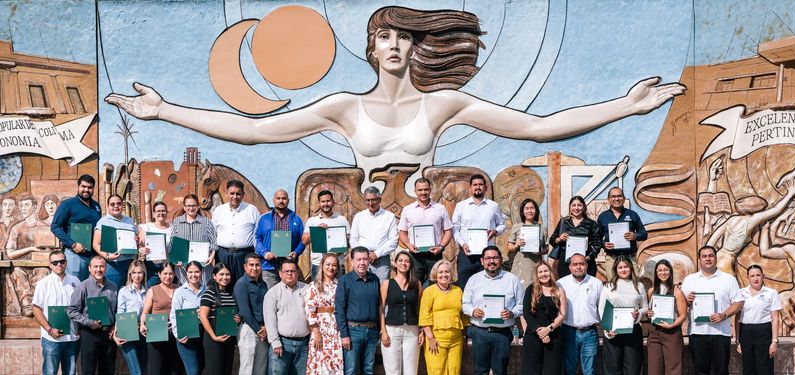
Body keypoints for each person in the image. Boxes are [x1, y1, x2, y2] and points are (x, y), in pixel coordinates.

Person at [107, 7, 683, 191]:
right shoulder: (342, 108)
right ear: (370, 46)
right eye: (385, 36)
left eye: (403, 37)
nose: (394, 46)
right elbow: (255, 129)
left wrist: (626, 106)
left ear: (414, 48)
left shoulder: (443, 104)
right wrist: (163, 111)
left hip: (424, 237)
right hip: (362, 233)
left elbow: (537, 127)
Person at [462, 245, 524, 375]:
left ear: (500, 260)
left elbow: (521, 305)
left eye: (495, 258)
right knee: (480, 373)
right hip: (480, 331)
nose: (491, 261)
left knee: (501, 373)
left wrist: (512, 313)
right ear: (482, 261)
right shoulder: (473, 280)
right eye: (488, 258)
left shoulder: (512, 280)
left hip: (502, 333)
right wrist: (473, 311)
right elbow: (465, 303)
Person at [682, 245, 744, 375]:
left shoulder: (728, 279)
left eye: (710, 256)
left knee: (721, 372)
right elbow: (682, 305)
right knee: (700, 373)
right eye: (704, 256)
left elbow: (738, 302)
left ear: (715, 258)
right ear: (699, 259)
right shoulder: (690, 280)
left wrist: (724, 315)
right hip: (697, 332)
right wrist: (687, 301)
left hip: (720, 332)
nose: (708, 259)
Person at [32, 250, 83, 375]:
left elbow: (81, 307)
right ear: (49, 264)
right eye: (55, 262)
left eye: (62, 261)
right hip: (51, 339)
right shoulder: (43, 284)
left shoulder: (75, 282)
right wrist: (49, 329)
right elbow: (36, 309)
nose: (59, 265)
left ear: (66, 262)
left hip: (72, 337)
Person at [67, 255, 119, 375]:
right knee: (89, 373)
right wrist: (89, 322)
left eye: (102, 266)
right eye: (95, 266)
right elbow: (72, 311)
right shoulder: (83, 287)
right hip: (90, 334)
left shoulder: (112, 287)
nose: (99, 269)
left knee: (107, 373)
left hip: (108, 334)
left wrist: (115, 325)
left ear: (106, 268)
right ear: (89, 268)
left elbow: (117, 310)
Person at [335, 246, 382, 375]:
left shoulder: (374, 279)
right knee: (351, 372)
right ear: (352, 261)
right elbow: (339, 309)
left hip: (371, 331)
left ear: (369, 260)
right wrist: (344, 334)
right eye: (359, 259)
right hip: (352, 331)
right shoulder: (345, 281)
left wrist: (378, 331)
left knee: (368, 371)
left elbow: (379, 307)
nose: (362, 263)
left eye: (365, 259)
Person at [419, 260, 469, 375]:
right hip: (435, 339)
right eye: (440, 272)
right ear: (435, 274)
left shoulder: (458, 291)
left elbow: (464, 315)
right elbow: (424, 315)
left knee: (454, 373)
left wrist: (465, 334)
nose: (444, 275)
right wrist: (430, 337)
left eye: (447, 272)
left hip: (456, 339)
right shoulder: (429, 291)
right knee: (436, 373)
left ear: (451, 274)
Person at [599, 256, 649, 375]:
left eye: (626, 267)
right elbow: (602, 309)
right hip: (613, 332)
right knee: (613, 371)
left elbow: (645, 308)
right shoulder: (608, 286)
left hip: (632, 330)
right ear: (616, 270)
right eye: (620, 267)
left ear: (631, 269)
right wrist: (607, 329)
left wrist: (638, 313)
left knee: (633, 370)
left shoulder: (639, 286)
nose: (623, 270)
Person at [557, 253, 604, 375]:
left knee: (589, 372)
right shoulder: (561, 284)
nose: (578, 267)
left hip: (590, 332)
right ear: (570, 267)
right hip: (568, 332)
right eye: (575, 264)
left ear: (586, 265)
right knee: (569, 371)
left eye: (581, 264)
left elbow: (603, 309)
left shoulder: (596, 283)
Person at [519, 262, 567, 375]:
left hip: (554, 335)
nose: (544, 274)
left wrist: (549, 329)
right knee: (531, 374)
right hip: (534, 336)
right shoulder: (530, 290)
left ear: (550, 272)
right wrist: (540, 331)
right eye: (540, 272)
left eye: (546, 271)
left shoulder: (559, 289)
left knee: (553, 374)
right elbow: (526, 312)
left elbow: (562, 314)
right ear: (536, 274)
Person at [264, 260, 310, 375]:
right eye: (287, 271)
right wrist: (275, 342)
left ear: (298, 273)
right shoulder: (273, 293)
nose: (290, 274)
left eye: (293, 271)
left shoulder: (306, 289)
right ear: (280, 273)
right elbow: (270, 320)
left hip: (303, 342)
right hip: (282, 343)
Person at [379, 250, 423, 375]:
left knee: (411, 373)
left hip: (412, 330)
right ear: (395, 264)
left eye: (407, 261)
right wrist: (383, 331)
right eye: (401, 261)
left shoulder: (416, 284)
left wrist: (421, 330)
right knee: (393, 373)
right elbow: (381, 308)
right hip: (392, 330)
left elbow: (420, 309)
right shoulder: (386, 284)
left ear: (410, 264)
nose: (404, 263)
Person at [304, 253, 346, 375]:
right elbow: (309, 309)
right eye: (328, 264)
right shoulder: (314, 286)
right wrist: (316, 331)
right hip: (321, 328)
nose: (331, 267)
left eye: (334, 265)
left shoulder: (340, 285)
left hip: (336, 328)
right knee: (322, 368)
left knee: (336, 366)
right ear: (322, 266)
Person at [736, 264, 781, 375]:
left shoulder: (771, 293)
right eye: (752, 275)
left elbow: (775, 318)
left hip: (763, 332)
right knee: (749, 372)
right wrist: (738, 340)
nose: (755, 278)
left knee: (764, 371)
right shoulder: (741, 293)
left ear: (763, 276)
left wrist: (774, 341)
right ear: (748, 278)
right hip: (746, 332)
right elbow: (737, 317)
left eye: (758, 275)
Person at [198, 263, 241, 375]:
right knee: (215, 374)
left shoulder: (230, 293)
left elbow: (233, 315)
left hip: (228, 338)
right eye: (221, 274)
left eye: (227, 274)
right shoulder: (209, 293)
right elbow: (203, 316)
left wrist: (237, 319)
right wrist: (213, 336)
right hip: (213, 339)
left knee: (225, 374)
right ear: (214, 276)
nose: (225, 277)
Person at [646, 259, 687, 375]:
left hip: (672, 333)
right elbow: (648, 312)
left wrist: (672, 326)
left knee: (673, 372)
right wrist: (648, 314)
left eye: (666, 270)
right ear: (655, 273)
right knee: (654, 372)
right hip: (655, 333)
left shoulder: (677, 292)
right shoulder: (651, 291)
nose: (663, 273)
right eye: (659, 270)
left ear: (670, 272)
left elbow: (683, 315)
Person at [140, 262, 182, 375]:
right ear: (159, 274)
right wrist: (143, 323)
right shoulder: (153, 290)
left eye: (171, 273)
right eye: (165, 273)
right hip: (157, 330)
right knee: (157, 369)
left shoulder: (180, 289)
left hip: (176, 333)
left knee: (175, 369)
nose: (168, 276)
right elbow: (145, 311)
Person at [452, 174, 507, 288]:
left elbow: (502, 224)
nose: (478, 187)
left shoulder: (493, 206)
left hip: (487, 255)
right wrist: (463, 244)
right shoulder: (461, 206)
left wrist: (495, 231)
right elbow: (454, 228)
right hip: (467, 254)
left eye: (480, 184)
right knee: (465, 288)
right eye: (475, 185)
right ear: (470, 188)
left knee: (487, 287)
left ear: (485, 187)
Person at [170, 260, 207, 375]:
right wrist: (178, 334)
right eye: (191, 272)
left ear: (201, 273)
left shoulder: (206, 290)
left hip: (203, 336)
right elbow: (173, 315)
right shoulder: (180, 291)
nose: (194, 275)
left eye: (196, 272)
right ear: (186, 273)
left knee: (199, 372)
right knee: (192, 372)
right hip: (186, 337)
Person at [234, 253, 269, 375]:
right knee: (246, 372)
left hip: (262, 330)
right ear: (245, 267)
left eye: (257, 265)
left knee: (259, 372)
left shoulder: (263, 284)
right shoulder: (241, 284)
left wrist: (266, 328)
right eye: (252, 265)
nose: (255, 268)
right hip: (249, 330)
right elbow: (245, 311)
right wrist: (258, 329)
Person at [398, 178, 453, 283]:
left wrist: (441, 247)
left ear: (430, 190)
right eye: (420, 190)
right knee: (414, 286)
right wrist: (409, 245)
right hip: (415, 256)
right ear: (415, 191)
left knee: (435, 285)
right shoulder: (407, 209)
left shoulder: (440, 208)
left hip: (435, 255)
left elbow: (448, 231)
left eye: (426, 189)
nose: (423, 192)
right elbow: (402, 233)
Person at [114, 260, 148, 375]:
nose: (137, 275)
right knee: (136, 373)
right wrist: (117, 332)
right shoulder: (124, 291)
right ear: (130, 274)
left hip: (143, 334)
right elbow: (120, 312)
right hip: (128, 332)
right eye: (134, 272)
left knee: (141, 374)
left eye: (140, 272)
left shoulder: (148, 292)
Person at [6, 193, 50, 316]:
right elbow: (10, 253)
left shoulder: (44, 227)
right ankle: (27, 306)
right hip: (21, 265)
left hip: (40, 264)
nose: (23, 208)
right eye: (22, 206)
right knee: (18, 272)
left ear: (34, 207)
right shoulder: (17, 228)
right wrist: (30, 249)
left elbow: (50, 251)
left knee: (43, 272)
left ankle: (37, 305)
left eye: (26, 205)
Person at [51, 174, 102, 280]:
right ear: (78, 187)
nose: (86, 190)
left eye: (89, 187)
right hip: (74, 255)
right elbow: (55, 226)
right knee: (74, 289)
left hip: (93, 256)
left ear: (93, 189)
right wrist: (73, 244)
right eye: (83, 186)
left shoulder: (96, 206)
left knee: (90, 290)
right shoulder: (68, 204)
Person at [212, 179, 260, 286]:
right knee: (223, 284)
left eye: (238, 194)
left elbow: (257, 234)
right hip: (223, 254)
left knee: (245, 284)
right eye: (232, 193)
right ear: (226, 194)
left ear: (243, 195)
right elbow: (213, 234)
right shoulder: (219, 211)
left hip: (244, 255)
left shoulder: (251, 210)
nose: (235, 196)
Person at [254, 189, 305, 288]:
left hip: (289, 267)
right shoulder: (264, 218)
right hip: (269, 266)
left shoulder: (297, 219)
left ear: (288, 201)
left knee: (290, 295)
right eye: (278, 198)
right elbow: (257, 238)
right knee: (271, 296)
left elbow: (303, 240)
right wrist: (265, 253)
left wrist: (296, 252)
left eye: (284, 198)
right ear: (273, 200)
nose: (281, 201)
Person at [349, 186, 398, 281]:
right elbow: (353, 239)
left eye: (373, 200)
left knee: (380, 290)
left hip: (381, 260)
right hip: (361, 259)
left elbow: (394, 241)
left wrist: (376, 254)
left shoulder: (389, 217)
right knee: (360, 287)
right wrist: (365, 255)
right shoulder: (359, 217)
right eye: (368, 200)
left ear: (379, 199)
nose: (370, 203)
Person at [597, 187, 648, 278]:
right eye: (613, 196)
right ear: (608, 199)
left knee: (634, 286)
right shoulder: (602, 217)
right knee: (613, 287)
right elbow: (597, 238)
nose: (616, 199)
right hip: (611, 258)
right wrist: (604, 244)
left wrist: (635, 236)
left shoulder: (633, 214)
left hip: (630, 258)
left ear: (623, 198)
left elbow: (644, 234)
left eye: (619, 196)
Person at [549, 195, 602, 279]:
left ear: (584, 207)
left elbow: (598, 243)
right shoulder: (564, 222)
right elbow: (552, 239)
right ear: (570, 207)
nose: (576, 208)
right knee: (566, 288)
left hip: (585, 261)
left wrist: (589, 257)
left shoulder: (591, 224)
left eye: (579, 205)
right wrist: (559, 238)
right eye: (573, 205)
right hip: (566, 261)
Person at [170, 194, 217, 285]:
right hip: (183, 265)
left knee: (202, 291)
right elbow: (173, 241)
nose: (191, 208)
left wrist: (212, 257)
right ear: (184, 207)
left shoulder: (206, 221)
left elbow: (213, 242)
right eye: (188, 206)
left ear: (198, 206)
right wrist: (176, 259)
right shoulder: (177, 221)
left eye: (193, 205)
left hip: (202, 265)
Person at [302, 189, 350, 277]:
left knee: (338, 290)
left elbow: (348, 242)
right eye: (323, 201)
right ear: (319, 203)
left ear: (333, 202)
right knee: (318, 290)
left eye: (328, 201)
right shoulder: (312, 221)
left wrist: (336, 253)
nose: (326, 204)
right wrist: (317, 230)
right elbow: (304, 241)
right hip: (318, 264)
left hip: (337, 265)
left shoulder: (341, 220)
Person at [93, 194, 138, 288]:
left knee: (130, 291)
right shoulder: (103, 221)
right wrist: (108, 256)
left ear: (122, 205)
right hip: (113, 264)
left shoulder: (129, 220)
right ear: (108, 206)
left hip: (130, 263)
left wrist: (136, 240)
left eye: (118, 203)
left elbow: (136, 239)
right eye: (112, 204)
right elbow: (95, 244)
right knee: (113, 292)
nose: (116, 206)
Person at [507, 198, 548, 288]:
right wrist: (517, 245)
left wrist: (540, 252)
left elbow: (546, 249)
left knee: (535, 291)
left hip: (536, 264)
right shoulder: (516, 227)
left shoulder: (542, 228)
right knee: (519, 290)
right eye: (527, 208)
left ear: (536, 210)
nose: (529, 211)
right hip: (520, 265)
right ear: (522, 211)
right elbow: (509, 248)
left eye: (532, 208)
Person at [138, 200, 172, 286]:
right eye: (158, 211)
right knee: (150, 290)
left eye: (163, 211)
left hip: (167, 266)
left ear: (167, 212)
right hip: (151, 266)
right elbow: (139, 245)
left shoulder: (172, 228)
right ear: (154, 213)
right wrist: (142, 249)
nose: (161, 213)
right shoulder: (146, 227)